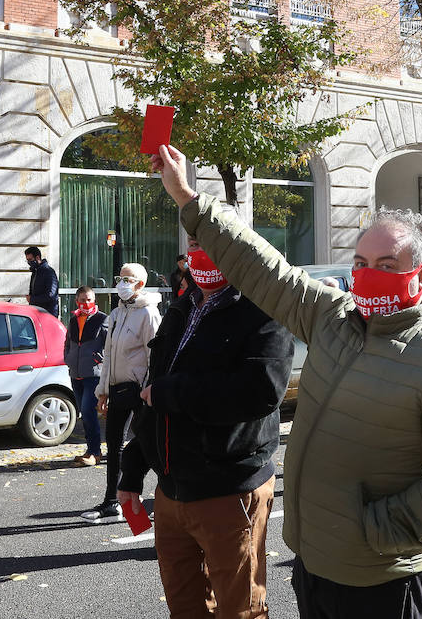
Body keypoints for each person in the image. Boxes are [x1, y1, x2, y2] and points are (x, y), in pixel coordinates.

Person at [150, 144, 422, 619]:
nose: (366, 275)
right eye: (359, 263)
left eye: (385, 265)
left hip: (383, 577)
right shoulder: (334, 317)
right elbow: (263, 267)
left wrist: (374, 527)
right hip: (314, 563)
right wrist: (188, 199)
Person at [116, 234, 294, 618]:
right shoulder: (183, 306)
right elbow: (154, 389)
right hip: (171, 491)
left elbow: (261, 392)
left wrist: (173, 392)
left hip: (229, 490)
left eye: (213, 242)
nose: (200, 253)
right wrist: (132, 469)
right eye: (195, 242)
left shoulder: (263, 307)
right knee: (184, 608)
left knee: (240, 610)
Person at [85, 263, 161, 520]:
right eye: (120, 277)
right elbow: (109, 356)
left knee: (147, 445)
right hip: (117, 388)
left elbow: (155, 356)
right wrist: (103, 390)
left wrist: (150, 388)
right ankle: (111, 502)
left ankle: (161, 501)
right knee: (114, 444)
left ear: (140, 284)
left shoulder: (149, 314)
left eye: (127, 279)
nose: (122, 283)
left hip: (139, 390)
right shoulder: (116, 313)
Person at [64, 286, 106, 467]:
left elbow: (109, 345)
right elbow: (68, 342)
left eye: (89, 299)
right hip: (76, 373)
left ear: (94, 300)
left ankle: (95, 452)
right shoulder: (73, 319)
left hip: (93, 374)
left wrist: (99, 359)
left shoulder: (103, 319)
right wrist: (68, 359)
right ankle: (91, 450)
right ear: (77, 301)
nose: (86, 303)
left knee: (89, 413)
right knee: (84, 412)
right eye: (82, 300)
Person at [24, 246, 59, 316]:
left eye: (30, 259)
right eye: (27, 260)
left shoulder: (49, 272)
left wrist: (32, 299)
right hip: (37, 312)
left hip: (48, 313)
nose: (29, 262)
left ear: (37, 258)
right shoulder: (35, 272)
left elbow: (51, 294)